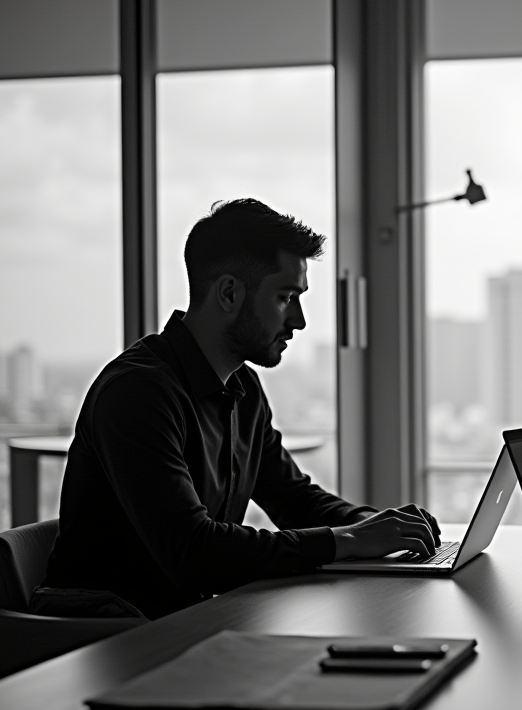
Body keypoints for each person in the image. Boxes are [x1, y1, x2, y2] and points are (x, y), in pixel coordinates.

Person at [37, 199, 440, 620]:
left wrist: (379, 526)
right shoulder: (138, 393)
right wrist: (350, 539)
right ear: (229, 293)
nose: (299, 321)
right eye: (285, 297)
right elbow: (195, 553)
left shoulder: (242, 387)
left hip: (180, 618)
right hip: (99, 631)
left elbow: (293, 499)